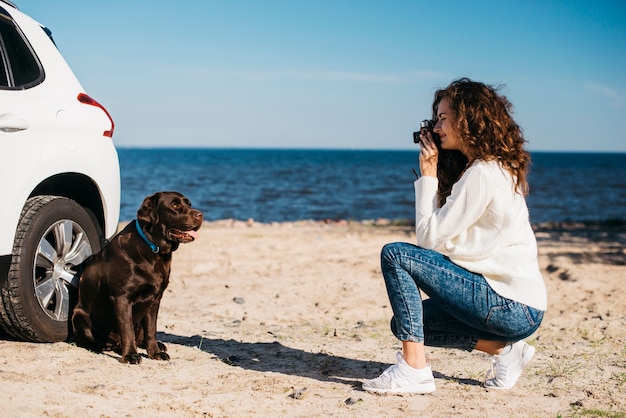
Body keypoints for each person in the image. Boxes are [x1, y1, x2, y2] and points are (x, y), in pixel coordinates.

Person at [362, 78, 547, 394]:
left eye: (444, 118)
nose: (437, 127)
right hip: (519, 306)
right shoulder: (489, 168)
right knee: (406, 324)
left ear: (469, 119)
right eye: (436, 119)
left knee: (395, 254)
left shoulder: (482, 174)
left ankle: (414, 370)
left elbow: (428, 240)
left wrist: (429, 175)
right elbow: (442, 237)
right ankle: (505, 351)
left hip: (509, 303)